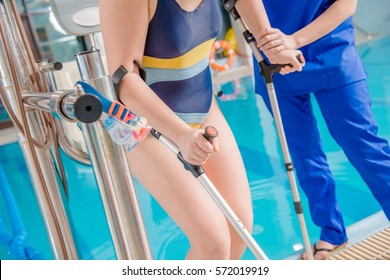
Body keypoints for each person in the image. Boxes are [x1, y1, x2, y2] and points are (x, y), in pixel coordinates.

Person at [99, 0, 302, 260]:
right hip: (142, 125)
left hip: (203, 108)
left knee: (239, 230)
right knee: (213, 242)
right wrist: (182, 134)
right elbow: (122, 80)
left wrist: (270, 45)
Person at [251, 0, 390, 259]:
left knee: (364, 145)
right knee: (303, 155)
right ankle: (332, 232)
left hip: (330, 48)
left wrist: (293, 40)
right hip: (272, 56)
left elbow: (347, 5)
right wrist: (272, 45)